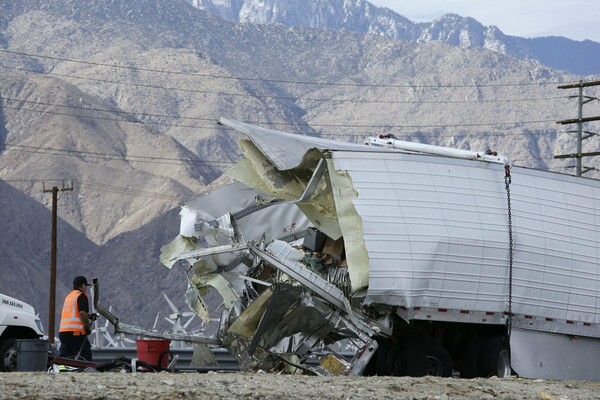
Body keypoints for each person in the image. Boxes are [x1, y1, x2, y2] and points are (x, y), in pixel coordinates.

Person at [58, 276, 96, 361]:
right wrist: (87, 327)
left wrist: (89, 316)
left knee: (66, 357)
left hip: (63, 332)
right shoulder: (81, 296)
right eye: (85, 286)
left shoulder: (69, 296)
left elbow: (73, 313)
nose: (86, 288)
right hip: (75, 333)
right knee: (85, 355)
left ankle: (64, 371)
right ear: (82, 286)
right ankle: (84, 371)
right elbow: (82, 312)